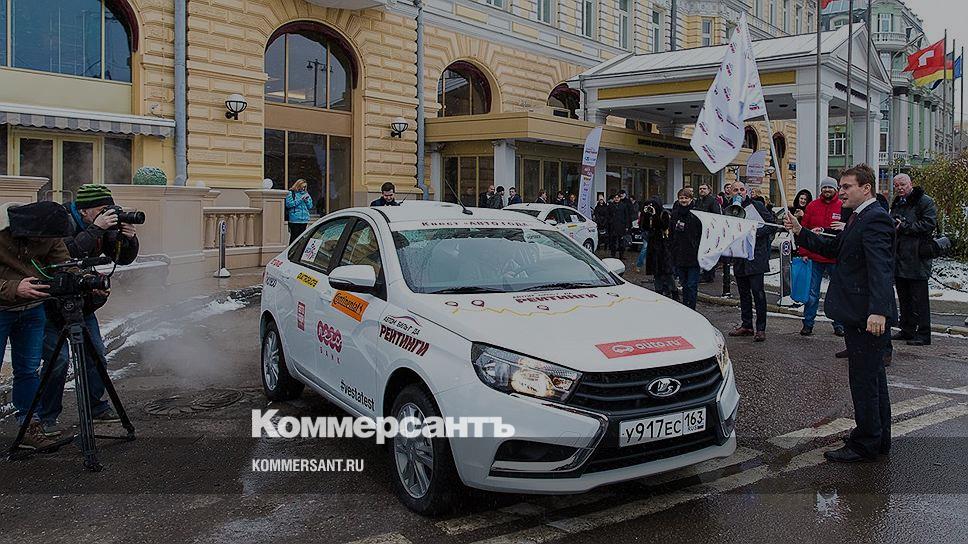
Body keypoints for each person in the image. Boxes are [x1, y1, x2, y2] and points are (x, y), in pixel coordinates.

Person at [785, 164, 896, 463]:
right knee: (873, 379)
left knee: (864, 381)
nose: (841, 192)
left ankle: (866, 444)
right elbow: (837, 248)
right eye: (841, 186)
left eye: (847, 187)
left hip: (866, 316)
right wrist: (800, 231)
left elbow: (881, 268)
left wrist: (878, 311)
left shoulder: (875, 219)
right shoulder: (860, 216)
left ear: (866, 188)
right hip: (860, 314)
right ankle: (877, 437)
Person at [38, 184, 140, 435]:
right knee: (58, 361)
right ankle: (46, 418)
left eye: (109, 208)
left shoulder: (101, 225)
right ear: (83, 210)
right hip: (49, 304)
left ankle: (96, 407)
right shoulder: (61, 220)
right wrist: (97, 229)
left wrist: (128, 239)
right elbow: (63, 255)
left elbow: (122, 258)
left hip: (80, 302)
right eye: (101, 209)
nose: (107, 213)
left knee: (96, 355)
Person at [0, 201, 72, 450]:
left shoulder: (50, 231)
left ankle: (29, 427)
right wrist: (13, 287)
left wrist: (85, 280)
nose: (46, 242)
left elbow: (64, 264)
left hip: (32, 310)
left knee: (28, 370)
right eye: (43, 239)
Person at [890, 174, 937, 346]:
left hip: (917, 255)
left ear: (910, 184)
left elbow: (929, 224)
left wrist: (904, 227)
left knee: (920, 299)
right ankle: (907, 329)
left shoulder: (925, 201)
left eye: (902, 184)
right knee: (904, 297)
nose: (900, 188)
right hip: (900, 255)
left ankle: (924, 333)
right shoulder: (897, 202)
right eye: (896, 185)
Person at [728, 180, 777, 342]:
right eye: (735, 190)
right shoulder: (729, 209)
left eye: (742, 189)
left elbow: (771, 226)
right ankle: (747, 325)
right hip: (740, 257)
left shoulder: (757, 206)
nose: (739, 192)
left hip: (756, 256)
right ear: (731, 193)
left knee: (758, 293)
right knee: (743, 294)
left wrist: (753, 233)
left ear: (746, 192)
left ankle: (760, 328)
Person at [798, 178, 845, 337]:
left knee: (837, 293)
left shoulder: (842, 206)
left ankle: (839, 324)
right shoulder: (812, 206)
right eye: (824, 187)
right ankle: (808, 323)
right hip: (815, 256)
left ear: (835, 189)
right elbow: (803, 229)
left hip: (835, 257)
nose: (827, 190)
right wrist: (804, 252)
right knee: (812, 294)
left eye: (830, 188)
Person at [670, 188, 702, 309]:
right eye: (681, 198)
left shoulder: (696, 214)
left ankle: (692, 307)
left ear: (691, 199)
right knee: (684, 284)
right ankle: (686, 307)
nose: (683, 200)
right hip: (679, 254)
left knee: (691, 285)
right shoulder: (675, 214)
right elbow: (671, 233)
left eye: (686, 198)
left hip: (694, 255)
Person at [645, 202, 678, 301]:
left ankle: (674, 293)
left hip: (663, 247)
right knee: (656, 273)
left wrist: (655, 215)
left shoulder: (664, 214)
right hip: (653, 247)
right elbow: (645, 227)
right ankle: (658, 293)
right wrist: (646, 215)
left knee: (667, 273)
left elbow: (663, 226)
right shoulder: (649, 215)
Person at [694, 183, 722, 282]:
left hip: (709, 231)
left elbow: (716, 216)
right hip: (699, 231)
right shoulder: (698, 201)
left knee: (708, 254)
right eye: (700, 188)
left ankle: (709, 275)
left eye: (704, 188)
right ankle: (704, 273)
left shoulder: (712, 201)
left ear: (709, 190)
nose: (702, 190)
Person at [605, 193, 634, 260]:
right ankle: (613, 255)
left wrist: (627, 226)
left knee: (622, 242)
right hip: (613, 226)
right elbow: (607, 215)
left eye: (618, 197)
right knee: (613, 242)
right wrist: (610, 221)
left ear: (620, 198)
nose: (616, 199)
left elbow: (626, 216)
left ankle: (621, 255)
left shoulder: (623, 205)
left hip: (621, 226)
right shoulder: (610, 205)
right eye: (615, 197)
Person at [284, 179, 313, 243]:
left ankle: (299, 249)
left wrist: (306, 201)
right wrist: (300, 200)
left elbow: (310, 206)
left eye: (305, 187)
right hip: (294, 219)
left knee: (301, 238)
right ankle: (292, 249)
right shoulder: (291, 193)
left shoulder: (306, 194)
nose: (303, 188)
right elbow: (289, 204)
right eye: (302, 186)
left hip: (304, 219)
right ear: (298, 185)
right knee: (294, 238)